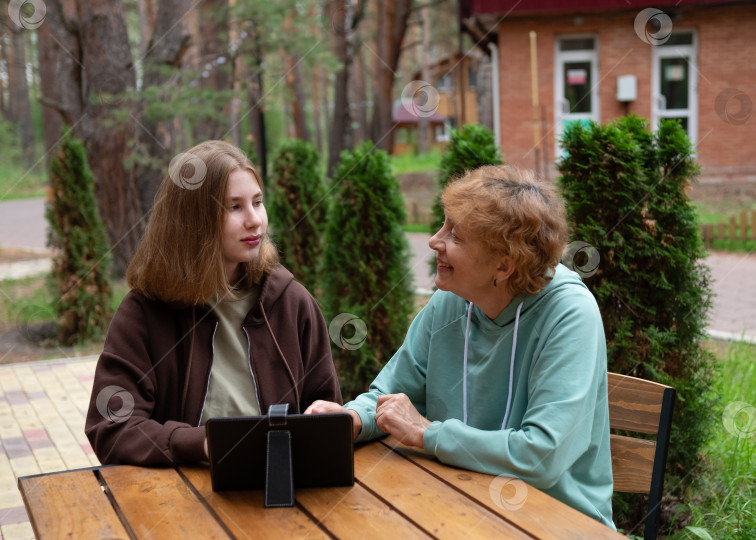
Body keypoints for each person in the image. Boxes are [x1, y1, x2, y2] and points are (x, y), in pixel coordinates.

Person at [306, 164, 614, 528]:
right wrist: (354, 418)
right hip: (458, 504)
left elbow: (541, 456)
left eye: (455, 235)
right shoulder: (451, 300)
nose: (435, 241)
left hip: (554, 520)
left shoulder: (569, 314)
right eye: (443, 224)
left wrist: (427, 434)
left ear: (503, 266)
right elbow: (393, 393)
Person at [85, 140, 341, 466]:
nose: (254, 221)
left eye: (258, 202)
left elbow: (325, 413)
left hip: (275, 489)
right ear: (193, 220)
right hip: (174, 496)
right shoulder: (144, 312)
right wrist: (204, 444)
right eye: (234, 207)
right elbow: (113, 427)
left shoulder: (292, 303)